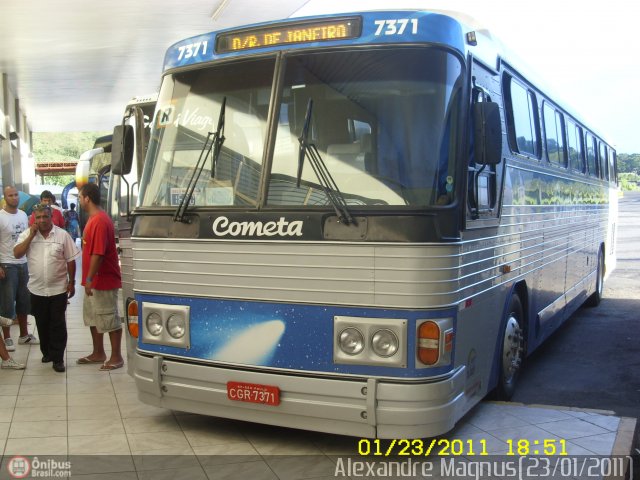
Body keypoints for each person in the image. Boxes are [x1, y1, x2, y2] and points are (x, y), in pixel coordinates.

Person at [14, 204, 80, 372]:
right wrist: (30, 236)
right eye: (38, 217)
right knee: (42, 323)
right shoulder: (26, 235)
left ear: (51, 217)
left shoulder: (62, 235)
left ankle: (58, 358)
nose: (42, 220)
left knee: (57, 324)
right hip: (36, 290)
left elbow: (71, 260)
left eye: (45, 217)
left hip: (58, 289)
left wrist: (71, 282)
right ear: (33, 219)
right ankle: (47, 352)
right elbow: (17, 254)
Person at [77, 183, 124, 370]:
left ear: (87, 198)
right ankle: (98, 353)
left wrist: (89, 279)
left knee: (108, 318)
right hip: (94, 280)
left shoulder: (99, 221)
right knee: (93, 318)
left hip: (102, 280)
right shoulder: (93, 219)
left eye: (80, 197)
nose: (79, 200)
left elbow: (98, 253)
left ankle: (116, 357)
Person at [0, 186, 38, 351]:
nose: (14, 198)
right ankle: (7, 337)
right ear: (5, 198)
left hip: (23, 263)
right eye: (11, 195)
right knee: (7, 303)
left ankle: (24, 335)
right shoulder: (1, 217)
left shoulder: (23, 215)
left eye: (16, 195)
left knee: (24, 301)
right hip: (7, 265)